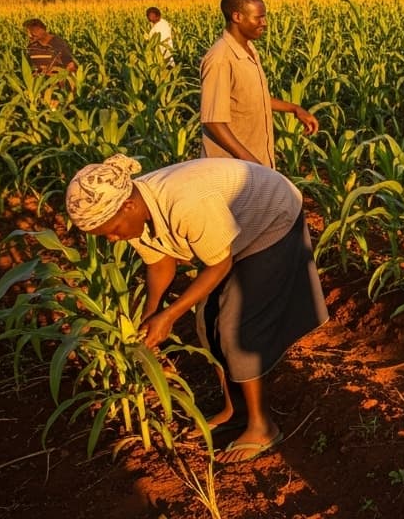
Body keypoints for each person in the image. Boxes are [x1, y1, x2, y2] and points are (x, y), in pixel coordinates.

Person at [65, 154, 329, 463]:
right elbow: (160, 264)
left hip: (272, 217)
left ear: (128, 205)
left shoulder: (185, 202)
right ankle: (235, 410)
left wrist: (171, 314)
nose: (113, 238)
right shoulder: (135, 214)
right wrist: (153, 313)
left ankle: (263, 427)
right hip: (234, 233)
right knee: (207, 319)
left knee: (237, 327)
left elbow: (219, 264)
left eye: (112, 230)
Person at [200, 0, 318, 169]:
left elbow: (253, 98)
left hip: (255, 163)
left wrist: (295, 109)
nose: (264, 23)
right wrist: (251, 162)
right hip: (233, 169)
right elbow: (213, 121)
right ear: (237, 17)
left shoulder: (249, 49)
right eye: (258, 17)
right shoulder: (220, 58)